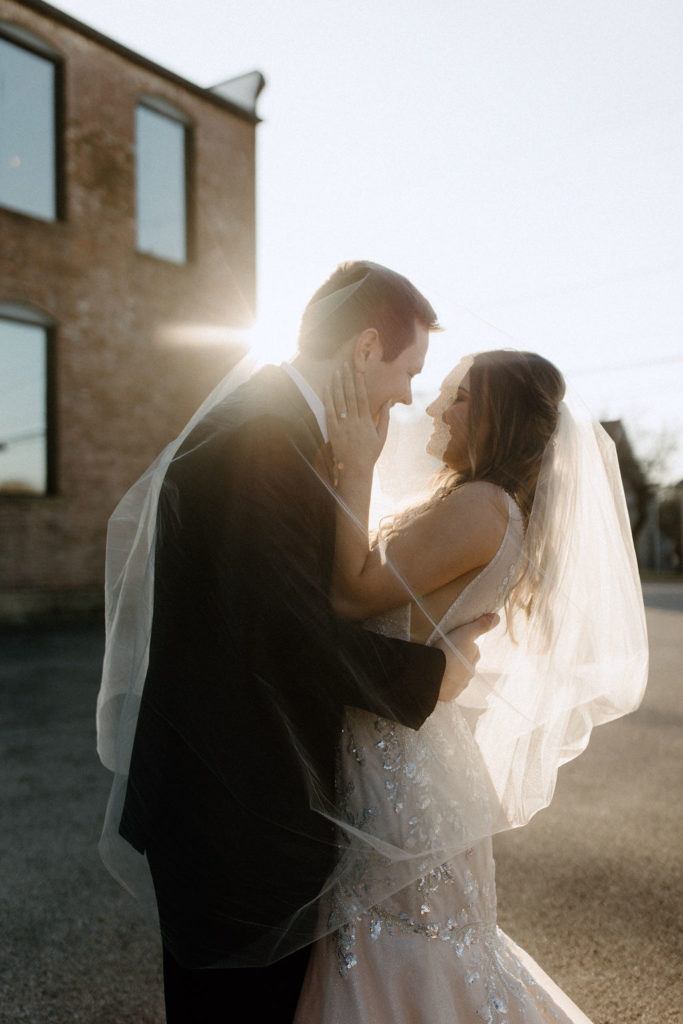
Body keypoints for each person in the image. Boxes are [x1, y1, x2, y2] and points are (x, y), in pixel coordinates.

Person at [95, 262, 496, 1022]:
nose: (410, 393)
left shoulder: (285, 428)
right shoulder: (263, 438)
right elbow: (286, 632)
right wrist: (432, 673)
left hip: (238, 793)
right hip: (235, 806)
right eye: (408, 370)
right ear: (365, 348)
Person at [294, 349, 648, 1022]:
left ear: (495, 416)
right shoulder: (481, 504)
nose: (432, 406)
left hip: (405, 763)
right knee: (412, 944)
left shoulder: (483, 507)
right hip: (404, 741)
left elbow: (352, 592)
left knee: (403, 948)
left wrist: (357, 467)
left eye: (454, 396)